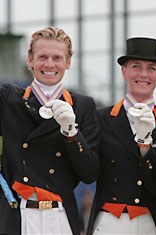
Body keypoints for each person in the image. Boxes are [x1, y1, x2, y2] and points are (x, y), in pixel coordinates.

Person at [0, 26, 100, 235]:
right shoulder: (8, 98)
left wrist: (72, 133)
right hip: (18, 213)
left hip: (60, 214)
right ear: (30, 60)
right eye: (42, 56)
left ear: (68, 62)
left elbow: (89, 173)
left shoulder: (83, 105)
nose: (49, 64)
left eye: (57, 57)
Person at [87, 37, 156, 235]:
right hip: (109, 220)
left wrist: (146, 150)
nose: (143, 74)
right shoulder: (101, 118)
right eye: (136, 66)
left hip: (151, 222)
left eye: (151, 68)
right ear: (124, 71)